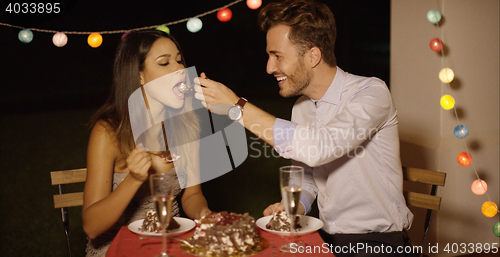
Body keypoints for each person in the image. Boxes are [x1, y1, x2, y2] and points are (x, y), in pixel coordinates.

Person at [193, 0, 414, 256]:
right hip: (326, 239)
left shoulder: (371, 93)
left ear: (313, 55)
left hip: (379, 244)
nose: (269, 67)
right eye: (269, 56)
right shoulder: (301, 108)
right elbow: (309, 176)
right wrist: (295, 208)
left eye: (277, 56)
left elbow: (319, 148)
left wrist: (236, 106)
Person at [82, 30, 211, 257]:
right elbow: (92, 226)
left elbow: (192, 195)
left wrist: (205, 214)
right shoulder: (108, 132)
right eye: (164, 63)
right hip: (117, 247)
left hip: (169, 243)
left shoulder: (187, 124)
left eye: (180, 61)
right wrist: (134, 179)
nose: (180, 69)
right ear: (139, 75)